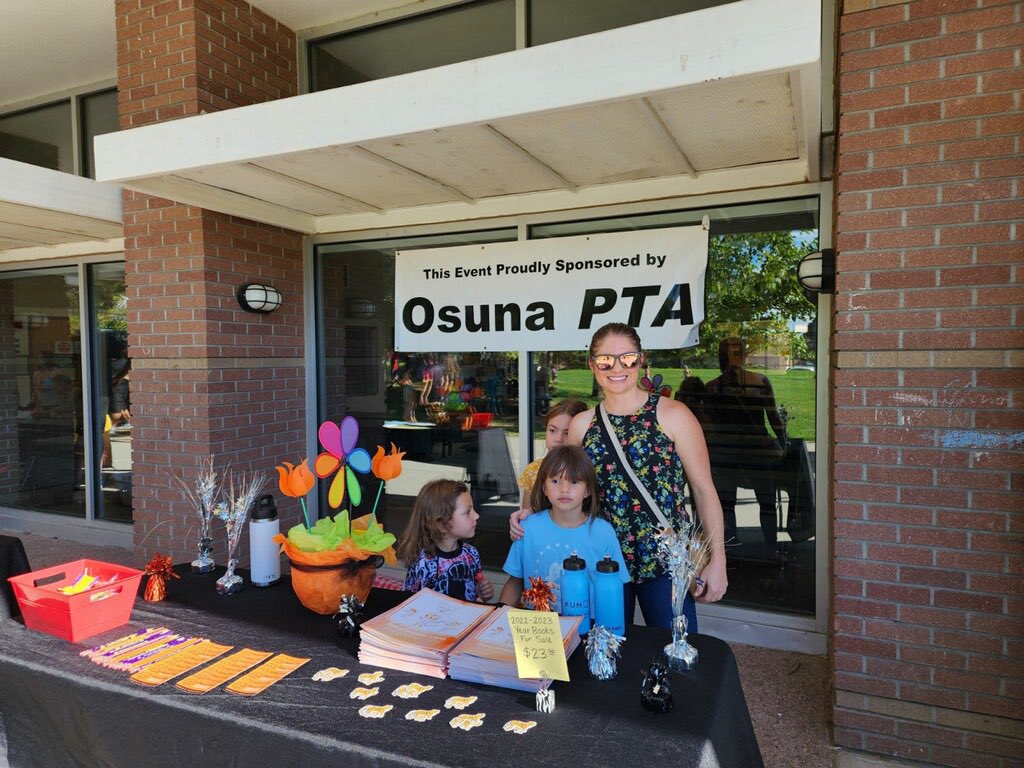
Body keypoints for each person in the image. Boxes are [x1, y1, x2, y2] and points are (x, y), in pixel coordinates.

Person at [512, 322, 727, 634]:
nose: (616, 367)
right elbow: (568, 486)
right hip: (601, 558)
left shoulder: (674, 415)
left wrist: (717, 559)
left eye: (626, 358)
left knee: (675, 651)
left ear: (641, 360)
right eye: (605, 360)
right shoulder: (582, 425)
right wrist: (533, 514)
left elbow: (703, 490)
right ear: (592, 365)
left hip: (664, 562)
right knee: (605, 650)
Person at [499, 445, 629, 612]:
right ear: (544, 487)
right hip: (538, 630)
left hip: (589, 630)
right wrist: (497, 618)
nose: (564, 489)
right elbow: (515, 581)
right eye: (555, 481)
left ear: (588, 489)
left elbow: (616, 590)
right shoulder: (528, 528)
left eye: (574, 481)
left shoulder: (604, 532)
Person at [704, 337, 787, 556]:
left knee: (728, 504)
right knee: (765, 502)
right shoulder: (759, 382)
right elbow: (774, 418)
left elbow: (708, 425)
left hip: (727, 452)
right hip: (754, 450)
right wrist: (783, 444)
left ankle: (732, 550)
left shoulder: (713, 388)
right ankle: (770, 549)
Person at [398, 479, 495, 603]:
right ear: (441, 523)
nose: (476, 516)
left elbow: (473, 594)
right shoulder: (424, 564)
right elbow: (410, 606)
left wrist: (483, 594)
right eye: (467, 512)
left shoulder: (471, 553)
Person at [517, 398, 589, 501]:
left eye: (567, 433)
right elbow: (527, 515)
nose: (558, 439)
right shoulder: (533, 471)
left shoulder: (589, 471)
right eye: (552, 430)